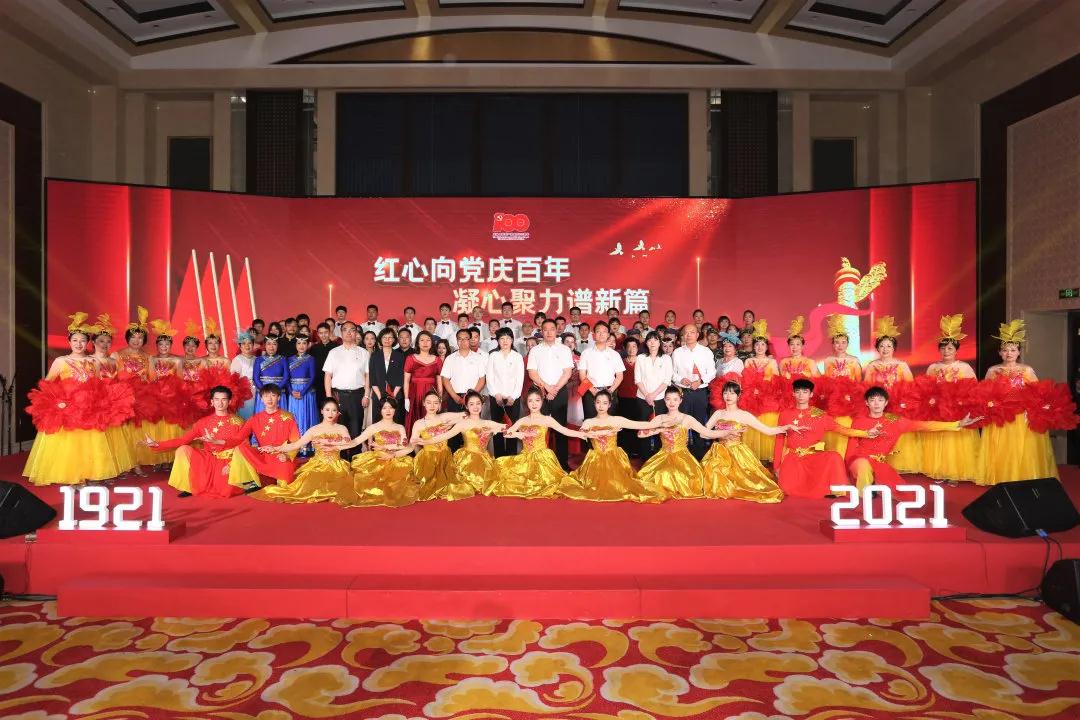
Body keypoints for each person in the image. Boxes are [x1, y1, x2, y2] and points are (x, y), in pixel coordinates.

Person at [24, 314, 125, 486]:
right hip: (69, 409)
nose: (79, 344)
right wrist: (58, 401)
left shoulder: (94, 362)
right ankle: (75, 477)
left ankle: (90, 473)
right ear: (69, 342)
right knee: (72, 444)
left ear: (88, 343)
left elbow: (98, 385)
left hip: (90, 409)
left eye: (82, 341)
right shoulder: (61, 361)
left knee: (90, 443)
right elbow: (47, 384)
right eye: (75, 340)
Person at [847, 386, 981, 490]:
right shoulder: (859, 421)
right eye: (872, 400)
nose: (876, 403)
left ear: (886, 402)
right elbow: (852, 444)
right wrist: (849, 463)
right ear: (867, 403)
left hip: (879, 462)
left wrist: (957, 424)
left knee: (903, 492)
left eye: (880, 400)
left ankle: (873, 484)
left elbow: (925, 426)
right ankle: (862, 501)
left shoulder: (895, 420)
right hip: (859, 460)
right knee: (864, 467)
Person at [978, 319, 1059, 484]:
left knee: (1021, 448)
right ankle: (1001, 478)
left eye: (1013, 350)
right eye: (1005, 350)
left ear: (1018, 352)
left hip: (1021, 416)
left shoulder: (1026, 370)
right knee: (1002, 447)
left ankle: (1022, 479)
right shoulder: (992, 370)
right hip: (1000, 416)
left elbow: (1038, 392)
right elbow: (984, 393)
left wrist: (1036, 408)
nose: (1009, 353)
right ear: (1000, 353)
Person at [773, 379, 875, 498]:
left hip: (812, 457)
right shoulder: (785, 414)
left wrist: (866, 433)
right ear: (793, 393)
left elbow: (842, 429)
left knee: (834, 457)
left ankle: (836, 491)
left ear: (811, 394)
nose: (801, 395)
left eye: (805, 392)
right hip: (793, 458)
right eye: (798, 391)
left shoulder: (819, 414)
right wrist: (776, 466)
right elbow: (779, 439)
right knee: (786, 489)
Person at [561, 390, 668, 503]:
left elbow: (638, 424)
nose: (601, 406)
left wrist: (659, 423)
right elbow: (582, 434)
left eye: (604, 403)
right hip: (594, 460)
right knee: (590, 486)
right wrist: (599, 432)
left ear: (609, 405)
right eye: (598, 402)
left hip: (614, 458)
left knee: (620, 486)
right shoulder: (589, 422)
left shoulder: (616, 420)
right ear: (594, 403)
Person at [142, 386, 248, 498]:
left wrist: (232, 464)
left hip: (228, 460)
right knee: (183, 450)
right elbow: (183, 440)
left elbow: (245, 446)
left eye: (224, 399)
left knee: (226, 492)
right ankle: (189, 486)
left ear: (229, 401)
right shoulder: (203, 422)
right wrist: (157, 444)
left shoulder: (238, 422)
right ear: (212, 402)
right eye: (217, 399)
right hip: (207, 459)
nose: (220, 403)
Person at [252, 398, 358, 504]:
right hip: (317, 466)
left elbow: (347, 442)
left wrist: (325, 441)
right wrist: (275, 448)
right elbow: (296, 445)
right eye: (327, 410)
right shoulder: (314, 430)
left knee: (342, 487)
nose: (330, 413)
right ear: (322, 411)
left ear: (338, 412)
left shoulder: (341, 428)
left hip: (338, 467)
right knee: (307, 487)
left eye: (334, 410)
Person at [635, 386, 735, 498]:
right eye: (668, 399)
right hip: (663, 455)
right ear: (664, 400)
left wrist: (726, 432)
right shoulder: (660, 418)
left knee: (674, 473)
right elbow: (640, 434)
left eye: (675, 399)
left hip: (682, 457)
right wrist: (659, 429)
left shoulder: (687, 419)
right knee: (660, 473)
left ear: (680, 401)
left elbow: (707, 432)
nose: (671, 402)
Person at [489, 387, 587, 498]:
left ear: (542, 401)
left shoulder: (547, 419)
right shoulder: (522, 420)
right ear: (526, 403)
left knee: (549, 483)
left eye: (537, 400)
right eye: (530, 401)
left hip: (543, 458)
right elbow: (506, 433)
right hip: (526, 457)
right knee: (502, 468)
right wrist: (517, 434)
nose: (534, 404)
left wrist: (581, 434)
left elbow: (565, 431)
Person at [703, 382, 792, 503]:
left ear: (738, 396)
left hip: (737, 453)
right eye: (725, 393)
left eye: (732, 393)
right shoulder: (718, 413)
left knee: (748, 482)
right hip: (719, 453)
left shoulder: (744, 415)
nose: (728, 396)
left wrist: (785, 428)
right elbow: (703, 433)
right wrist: (721, 433)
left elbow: (768, 430)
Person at [923, 314, 981, 484]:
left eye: (950, 348)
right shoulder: (933, 367)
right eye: (943, 348)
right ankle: (941, 471)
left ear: (956, 350)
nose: (946, 351)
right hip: (938, 408)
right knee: (940, 438)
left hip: (957, 409)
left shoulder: (964, 367)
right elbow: (926, 388)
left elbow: (974, 389)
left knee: (956, 441)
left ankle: (955, 474)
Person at [335, 397, 419, 508]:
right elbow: (356, 441)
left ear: (395, 410)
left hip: (396, 459)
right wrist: (337, 446)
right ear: (380, 410)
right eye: (384, 408)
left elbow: (404, 446)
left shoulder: (400, 427)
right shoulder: (374, 427)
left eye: (391, 407)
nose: (388, 410)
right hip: (378, 459)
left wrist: (385, 447)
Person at [862, 316, 919, 474]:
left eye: (889, 346)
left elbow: (911, 388)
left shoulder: (902, 365)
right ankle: (878, 462)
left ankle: (898, 465)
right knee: (880, 433)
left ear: (894, 348)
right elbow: (866, 388)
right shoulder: (872, 366)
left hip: (898, 406)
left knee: (898, 434)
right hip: (878, 406)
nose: (885, 349)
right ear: (877, 348)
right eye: (882, 346)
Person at [228, 384, 300, 491]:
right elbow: (238, 438)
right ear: (261, 399)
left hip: (281, 455)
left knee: (284, 489)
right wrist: (217, 442)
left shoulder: (288, 417)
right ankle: (251, 481)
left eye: (273, 395)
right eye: (266, 396)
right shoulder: (255, 418)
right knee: (240, 449)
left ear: (278, 397)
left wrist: (287, 455)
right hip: (263, 456)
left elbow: (296, 441)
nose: (269, 399)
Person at [526, 319, 575, 470]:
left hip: (559, 392)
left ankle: (562, 464)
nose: (548, 332)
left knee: (561, 428)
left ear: (556, 331)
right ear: (541, 331)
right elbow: (532, 373)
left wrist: (555, 389)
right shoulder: (535, 350)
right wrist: (546, 387)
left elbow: (567, 372)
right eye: (545, 329)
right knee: (539, 428)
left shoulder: (564, 349)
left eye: (552, 329)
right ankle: (538, 464)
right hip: (540, 393)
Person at [410, 390, 474, 501]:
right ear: (424, 403)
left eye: (435, 403)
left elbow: (467, 414)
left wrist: (451, 423)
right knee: (425, 485)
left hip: (445, 457)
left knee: (453, 484)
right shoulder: (419, 423)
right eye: (429, 402)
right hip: (428, 458)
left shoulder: (444, 417)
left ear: (439, 404)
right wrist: (419, 458)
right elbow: (413, 443)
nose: (432, 406)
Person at [323, 321, 369, 458]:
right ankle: (341, 460)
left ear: (356, 333)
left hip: (357, 395)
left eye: (352, 330)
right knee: (339, 429)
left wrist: (366, 395)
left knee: (356, 429)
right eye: (345, 330)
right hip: (338, 395)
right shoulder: (333, 352)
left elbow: (368, 376)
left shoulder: (364, 353)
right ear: (341, 333)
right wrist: (329, 398)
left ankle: (355, 459)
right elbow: (328, 376)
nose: (349, 332)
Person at [670, 323, 716, 459]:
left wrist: (700, 381)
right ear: (683, 335)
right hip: (683, 393)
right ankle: (680, 456)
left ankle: (698, 456)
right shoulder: (677, 352)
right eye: (686, 332)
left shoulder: (706, 351)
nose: (689, 335)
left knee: (698, 424)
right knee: (681, 424)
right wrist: (680, 379)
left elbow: (712, 372)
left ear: (697, 334)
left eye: (692, 332)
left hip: (700, 392)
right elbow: (672, 373)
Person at [820, 314, 863, 457]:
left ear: (847, 343)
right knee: (833, 426)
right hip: (833, 400)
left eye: (843, 342)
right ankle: (835, 455)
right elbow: (826, 381)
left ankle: (848, 455)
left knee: (847, 426)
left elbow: (858, 382)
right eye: (837, 342)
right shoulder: (828, 361)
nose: (840, 345)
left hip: (849, 400)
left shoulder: (854, 360)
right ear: (833, 344)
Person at [440, 328, 487, 450]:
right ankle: (454, 458)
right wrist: (455, 396)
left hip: (473, 399)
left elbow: (482, 379)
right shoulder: (450, 358)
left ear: (470, 340)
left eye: (466, 339)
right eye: (460, 339)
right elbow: (445, 379)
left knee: (472, 431)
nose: (463, 341)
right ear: (456, 341)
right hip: (454, 398)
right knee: (454, 430)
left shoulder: (478, 358)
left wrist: (471, 396)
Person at [743, 319, 781, 462]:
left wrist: (765, 389)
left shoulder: (772, 362)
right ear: (753, 346)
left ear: (766, 347)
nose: (759, 347)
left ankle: (767, 457)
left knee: (767, 425)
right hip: (751, 398)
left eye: (762, 344)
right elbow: (744, 380)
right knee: (753, 424)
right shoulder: (748, 361)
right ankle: (752, 456)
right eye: (757, 344)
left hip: (767, 399)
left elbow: (776, 381)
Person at [486, 328, 524, 457]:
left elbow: (520, 379)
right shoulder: (493, 356)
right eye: (502, 338)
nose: (505, 341)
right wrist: (496, 394)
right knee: (498, 429)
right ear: (498, 341)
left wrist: (513, 396)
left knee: (512, 428)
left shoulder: (517, 356)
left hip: (513, 398)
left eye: (508, 338)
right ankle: (499, 457)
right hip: (496, 398)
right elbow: (489, 377)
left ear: (512, 340)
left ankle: (511, 458)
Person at [577, 320, 626, 422]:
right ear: (594, 335)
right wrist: (593, 391)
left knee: (610, 424)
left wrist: (610, 390)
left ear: (608, 334)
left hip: (610, 392)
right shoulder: (586, 353)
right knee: (591, 423)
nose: (601, 334)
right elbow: (582, 375)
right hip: (590, 392)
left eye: (604, 332)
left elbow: (619, 376)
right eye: (598, 331)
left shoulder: (615, 354)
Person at [635, 331, 673, 456]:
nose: (652, 343)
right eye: (649, 340)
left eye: (655, 340)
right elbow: (637, 379)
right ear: (646, 343)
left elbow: (667, 380)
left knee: (659, 428)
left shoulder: (666, 358)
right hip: (642, 398)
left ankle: (658, 456)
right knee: (644, 427)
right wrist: (647, 395)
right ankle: (644, 456)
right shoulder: (641, 358)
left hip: (660, 398)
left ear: (659, 342)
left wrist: (653, 395)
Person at [403, 330, 444, 436]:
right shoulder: (410, 358)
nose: (425, 343)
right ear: (417, 343)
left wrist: (440, 400)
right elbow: (406, 381)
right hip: (414, 394)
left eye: (428, 340)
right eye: (422, 340)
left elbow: (439, 382)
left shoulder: (437, 360)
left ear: (432, 343)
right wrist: (406, 398)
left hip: (431, 394)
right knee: (415, 419)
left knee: (431, 421)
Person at [286, 333, 318, 451]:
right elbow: (287, 377)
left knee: (306, 415)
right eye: (299, 343)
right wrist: (291, 391)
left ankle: (306, 446)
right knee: (295, 416)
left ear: (308, 345)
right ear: (295, 345)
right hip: (293, 391)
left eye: (304, 343)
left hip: (306, 391)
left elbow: (312, 377)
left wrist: (303, 392)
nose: (301, 346)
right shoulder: (289, 359)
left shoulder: (311, 359)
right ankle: (295, 445)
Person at [369, 328, 407, 425]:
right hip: (378, 395)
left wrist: (393, 395)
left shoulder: (400, 356)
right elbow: (372, 378)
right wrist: (380, 397)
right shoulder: (374, 355)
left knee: (396, 422)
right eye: (384, 337)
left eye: (390, 337)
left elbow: (401, 377)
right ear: (380, 339)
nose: (387, 340)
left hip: (395, 395)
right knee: (378, 423)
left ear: (394, 339)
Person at [253, 335, 288, 415]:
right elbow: (256, 378)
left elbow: (286, 377)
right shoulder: (259, 359)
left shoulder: (282, 359)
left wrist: (276, 390)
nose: (271, 347)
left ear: (277, 346)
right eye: (269, 344)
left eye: (274, 344)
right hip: (264, 393)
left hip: (278, 392)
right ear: (265, 345)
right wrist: (265, 391)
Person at [230, 330, 258, 419]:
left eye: (249, 343)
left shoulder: (257, 359)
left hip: (258, 392)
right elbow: (233, 381)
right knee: (247, 418)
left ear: (253, 345)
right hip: (245, 394)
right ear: (240, 346)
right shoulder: (237, 360)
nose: (247, 346)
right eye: (244, 343)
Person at [310, 322, 338, 407]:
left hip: (333, 381)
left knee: (333, 405)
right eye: (321, 333)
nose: (323, 335)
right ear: (318, 334)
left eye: (325, 332)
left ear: (329, 332)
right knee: (319, 406)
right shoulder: (314, 348)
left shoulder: (336, 347)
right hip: (318, 382)